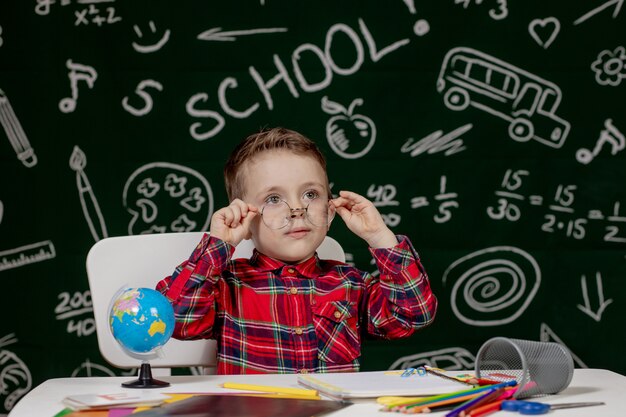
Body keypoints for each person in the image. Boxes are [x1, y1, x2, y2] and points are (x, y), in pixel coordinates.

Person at [156, 127, 437, 374]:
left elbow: (413, 313)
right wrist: (219, 246)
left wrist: (379, 237)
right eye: (274, 198)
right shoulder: (227, 286)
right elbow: (177, 319)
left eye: (310, 194)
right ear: (245, 216)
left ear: (329, 210)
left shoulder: (350, 284)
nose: (296, 211)